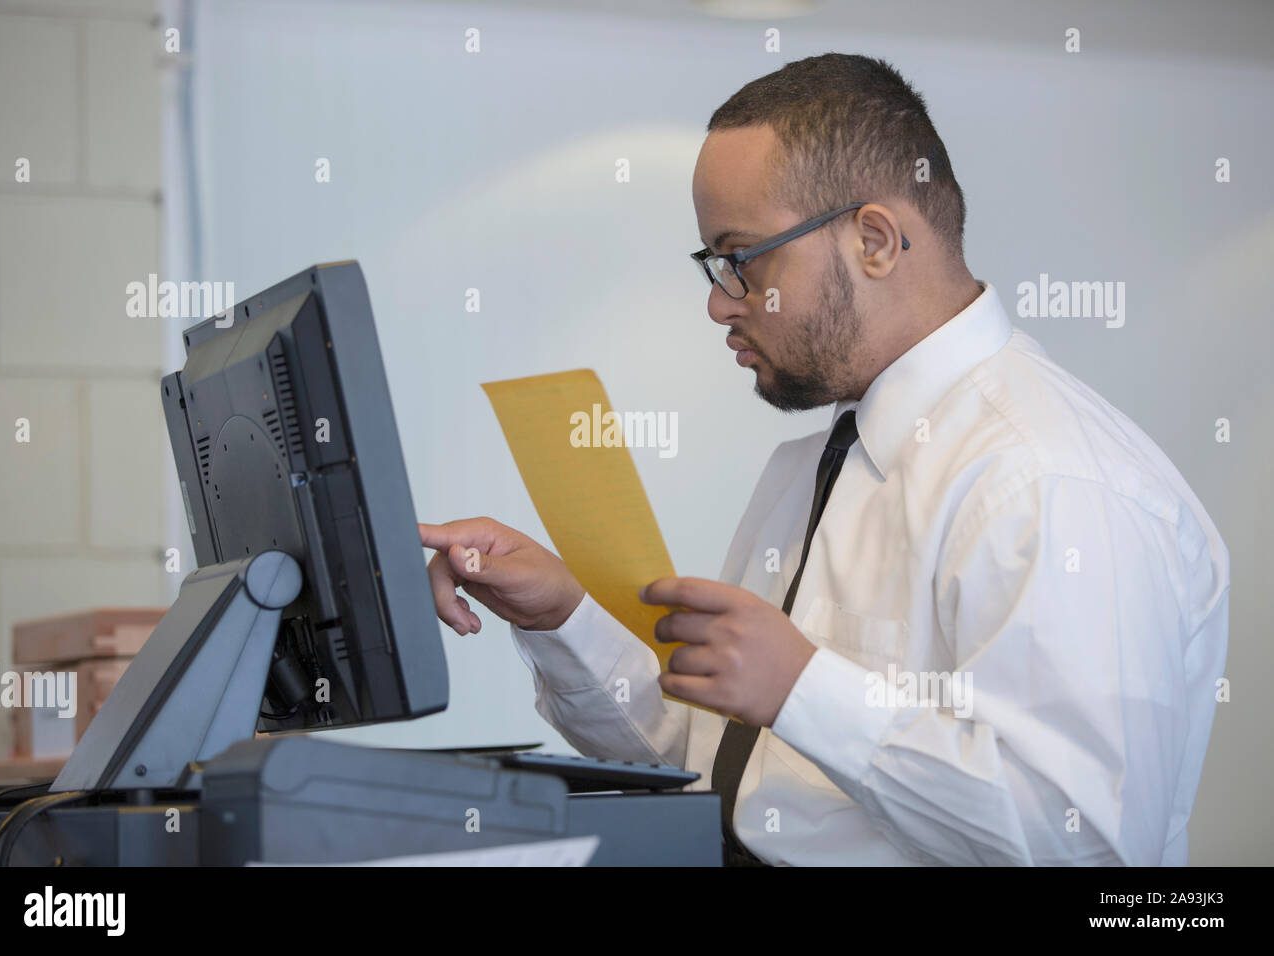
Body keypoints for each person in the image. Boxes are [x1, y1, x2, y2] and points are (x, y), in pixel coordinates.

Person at [419, 53, 1229, 866]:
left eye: (742, 257)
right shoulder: (809, 468)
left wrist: (804, 689)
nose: (718, 301)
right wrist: (561, 616)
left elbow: (1086, 846)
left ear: (874, 240)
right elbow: (720, 777)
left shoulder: (1049, 481)